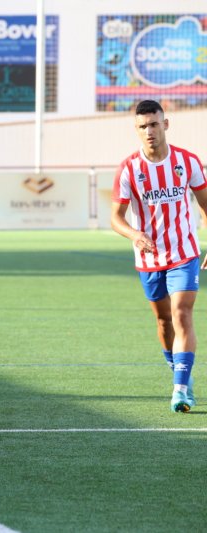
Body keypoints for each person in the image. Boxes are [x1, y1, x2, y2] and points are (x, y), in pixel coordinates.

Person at [111, 99, 207, 413]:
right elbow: (116, 218)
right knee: (164, 321)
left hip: (184, 253)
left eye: (154, 124)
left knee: (181, 313)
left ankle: (180, 389)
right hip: (150, 259)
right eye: (142, 127)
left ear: (165, 124)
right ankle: (178, 369)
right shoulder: (129, 169)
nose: (149, 131)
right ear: (136, 130)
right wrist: (135, 234)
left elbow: (205, 204)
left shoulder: (187, 162)